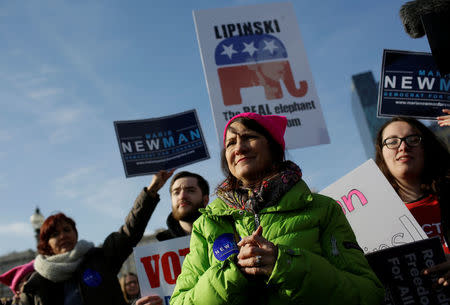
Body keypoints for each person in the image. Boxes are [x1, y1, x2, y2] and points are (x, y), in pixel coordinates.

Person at [170, 112, 384, 305]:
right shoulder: (207, 223)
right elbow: (180, 301)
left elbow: (368, 294)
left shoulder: (323, 209)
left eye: (249, 137)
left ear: (273, 146)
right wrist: (233, 273)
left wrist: (287, 265)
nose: (239, 148)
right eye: (230, 143)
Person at [19, 170, 174, 305]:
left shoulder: (100, 259)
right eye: (55, 234)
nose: (63, 236)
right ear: (46, 244)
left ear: (75, 233)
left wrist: (152, 189)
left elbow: (128, 232)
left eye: (67, 230)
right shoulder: (34, 285)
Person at [375, 116, 450, 284]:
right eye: (392, 141)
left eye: (413, 139)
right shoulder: (374, 218)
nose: (403, 146)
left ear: (426, 148)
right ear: (381, 153)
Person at [133, 171, 210, 305]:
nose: (182, 196)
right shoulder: (156, 252)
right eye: (176, 192)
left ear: (205, 200)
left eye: (190, 190)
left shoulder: (228, 235)